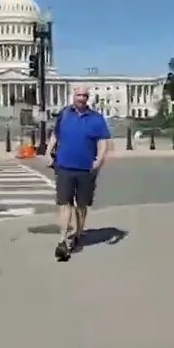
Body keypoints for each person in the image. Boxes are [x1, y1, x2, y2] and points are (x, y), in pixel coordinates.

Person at [48, 85, 111, 261]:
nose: (81, 98)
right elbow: (55, 135)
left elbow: (103, 142)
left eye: (84, 95)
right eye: (78, 95)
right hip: (64, 166)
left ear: (88, 98)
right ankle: (62, 240)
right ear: (73, 96)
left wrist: (99, 160)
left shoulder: (97, 119)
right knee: (64, 203)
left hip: (86, 168)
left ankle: (79, 231)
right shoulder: (64, 115)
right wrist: (48, 151)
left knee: (81, 205)